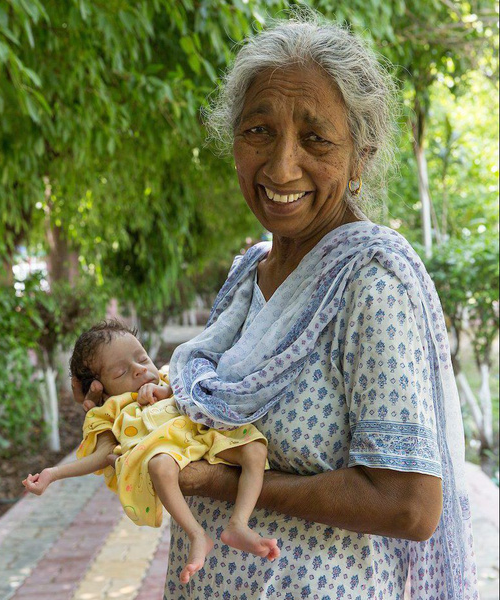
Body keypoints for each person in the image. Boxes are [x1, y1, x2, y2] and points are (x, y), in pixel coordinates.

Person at [74, 15, 478, 600]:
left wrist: (214, 481)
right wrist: (125, 399)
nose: (281, 166)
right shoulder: (248, 275)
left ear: (360, 159)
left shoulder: (370, 286)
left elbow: (409, 506)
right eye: (259, 130)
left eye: (315, 139)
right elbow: (210, 410)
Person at [23, 320, 279, 584]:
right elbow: (101, 456)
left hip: (206, 434)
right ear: (101, 389)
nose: (138, 370)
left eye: (142, 359)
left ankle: (238, 523)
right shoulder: (109, 409)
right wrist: (52, 474)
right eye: (121, 372)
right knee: (159, 467)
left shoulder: (169, 377)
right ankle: (196, 535)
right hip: (167, 448)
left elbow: (199, 389)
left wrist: (168, 390)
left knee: (255, 449)